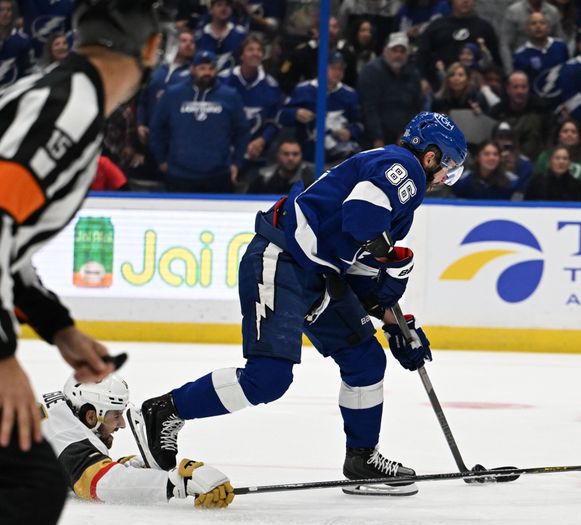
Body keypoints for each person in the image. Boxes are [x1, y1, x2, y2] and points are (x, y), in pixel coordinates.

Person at [128, 111, 468, 496]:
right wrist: (391, 259)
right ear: (430, 155)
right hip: (283, 258)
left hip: (318, 275)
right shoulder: (402, 166)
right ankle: (164, 411)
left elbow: (359, 276)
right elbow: (361, 220)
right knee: (268, 378)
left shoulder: (398, 190)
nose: (445, 177)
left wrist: (398, 324)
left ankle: (362, 459)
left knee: (365, 359)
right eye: (448, 166)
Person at [0, 2, 162, 525]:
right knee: (20, 483)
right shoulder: (69, 104)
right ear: (151, 49)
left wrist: (57, 326)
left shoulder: (60, 94)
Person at [42, 374, 234, 507]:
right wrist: (174, 483)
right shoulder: (65, 433)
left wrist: (124, 465)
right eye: (116, 415)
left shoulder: (60, 416)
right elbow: (100, 483)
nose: (122, 424)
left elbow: (70, 471)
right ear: (92, 416)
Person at [150, 49, 250, 193]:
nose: (207, 73)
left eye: (211, 68)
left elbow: (242, 131)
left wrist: (236, 163)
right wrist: (161, 159)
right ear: (192, 69)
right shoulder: (173, 94)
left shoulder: (230, 96)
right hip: (179, 175)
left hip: (218, 175)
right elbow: (156, 128)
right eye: (202, 68)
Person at [277, 50, 362, 164]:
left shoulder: (350, 95)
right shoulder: (303, 90)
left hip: (339, 160)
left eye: (341, 69)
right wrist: (296, 113)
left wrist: (350, 132)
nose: (337, 72)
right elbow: (281, 115)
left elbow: (359, 124)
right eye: (333, 68)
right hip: (307, 157)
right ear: (322, 68)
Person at [218, 35, 283, 181]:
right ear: (241, 55)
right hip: (223, 151)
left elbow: (275, 120)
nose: (256, 53)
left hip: (256, 152)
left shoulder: (271, 85)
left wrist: (261, 140)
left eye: (259, 50)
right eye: (250, 49)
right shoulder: (223, 80)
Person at [357, 32, 424, 148]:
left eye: (402, 51)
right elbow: (369, 108)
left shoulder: (413, 74)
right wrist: (377, 138)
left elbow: (415, 107)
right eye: (394, 50)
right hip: (373, 137)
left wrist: (406, 133)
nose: (398, 55)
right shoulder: (371, 72)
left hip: (403, 135)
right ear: (385, 51)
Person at [534, 119, 581, 191]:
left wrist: (580, 192)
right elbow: (538, 179)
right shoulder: (545, 155)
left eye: (574, 132)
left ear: (579, 137)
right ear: (558, 135)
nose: (569, 135)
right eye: (565, 131)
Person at [500, 0, 563, 73]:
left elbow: (559, 38)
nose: (538, 26)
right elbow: (505, 44)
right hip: (522, 63)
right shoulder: (514, 11)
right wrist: (510, 72)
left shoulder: (553, 11)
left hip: (549, 62)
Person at [449, 141, 521, 199]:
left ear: (500, 158)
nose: (492, 158)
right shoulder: (463, 181)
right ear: (477, 157)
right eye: (486, 154)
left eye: (495, 154)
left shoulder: (512, 182)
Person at [195, 0, 249, 72]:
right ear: (211, 10)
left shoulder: (241, 34)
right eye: (219, 5)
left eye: (227, 5)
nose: (224, 8)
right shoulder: (199, 36)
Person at [248, 138, 316, 193]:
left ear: (301, 156)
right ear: (278, 155)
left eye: (295, 154)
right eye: (286, 154)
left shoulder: (311, 177)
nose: (290, 158)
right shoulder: (264, 177)